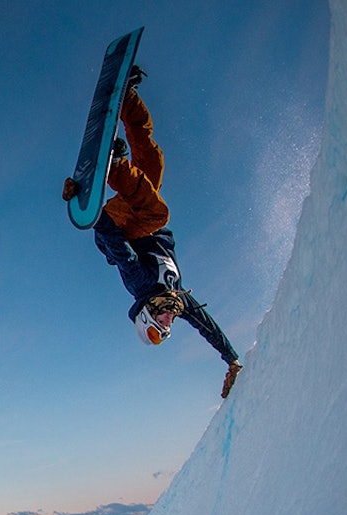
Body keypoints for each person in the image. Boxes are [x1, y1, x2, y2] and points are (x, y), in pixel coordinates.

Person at [64, 67, 244, 398]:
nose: (170, 322)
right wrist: (231, 359)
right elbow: (209, 328)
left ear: (147, 316)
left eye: (161, 325)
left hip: (115, 226)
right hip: (136, 214)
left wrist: (93, 214)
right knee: (153, 163)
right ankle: (128, 99)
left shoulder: (142, 285)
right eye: (168, 327)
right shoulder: (179, 299)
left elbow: (119, 250)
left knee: (157, 211)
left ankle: (117, 165)